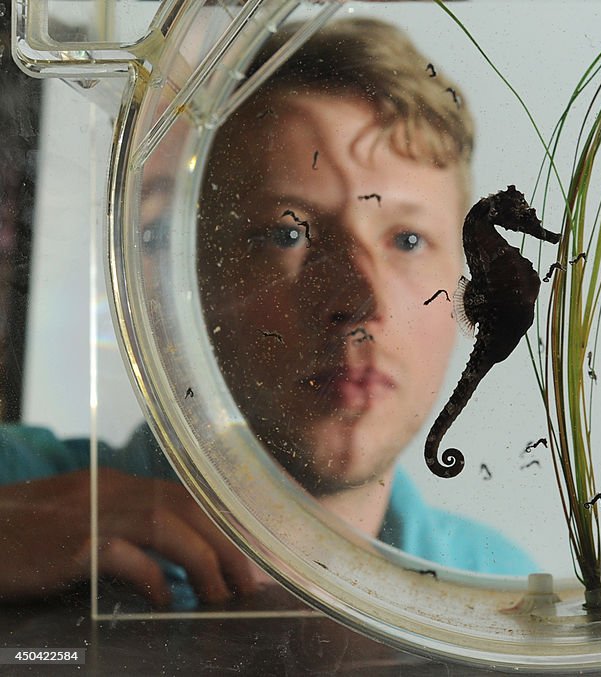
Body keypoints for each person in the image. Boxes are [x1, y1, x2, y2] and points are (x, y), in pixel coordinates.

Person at [0, 17, 534, 609]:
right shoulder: (19, 487)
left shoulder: (502, 593)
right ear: (187, 272)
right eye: (287, 234)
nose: (360, 303)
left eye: (407, 241)